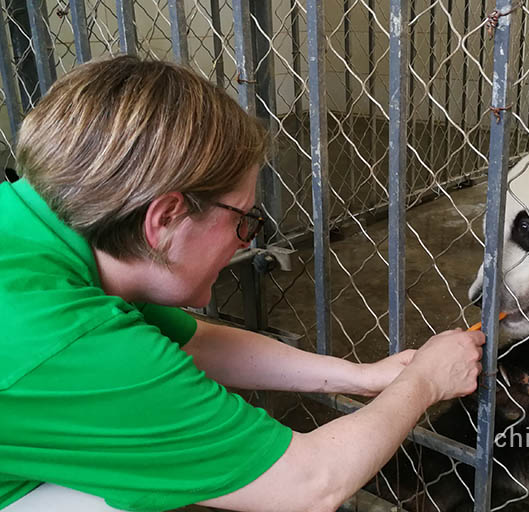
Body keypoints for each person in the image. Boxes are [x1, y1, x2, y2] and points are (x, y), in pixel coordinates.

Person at [0, 56, 485, 512]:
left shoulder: (34, 231)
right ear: (167, 217)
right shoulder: (66, 337)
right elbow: (310, 482)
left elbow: (193, 341)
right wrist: (426, 382)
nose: (246, 240)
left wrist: (362, 376)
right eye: (244, 219)